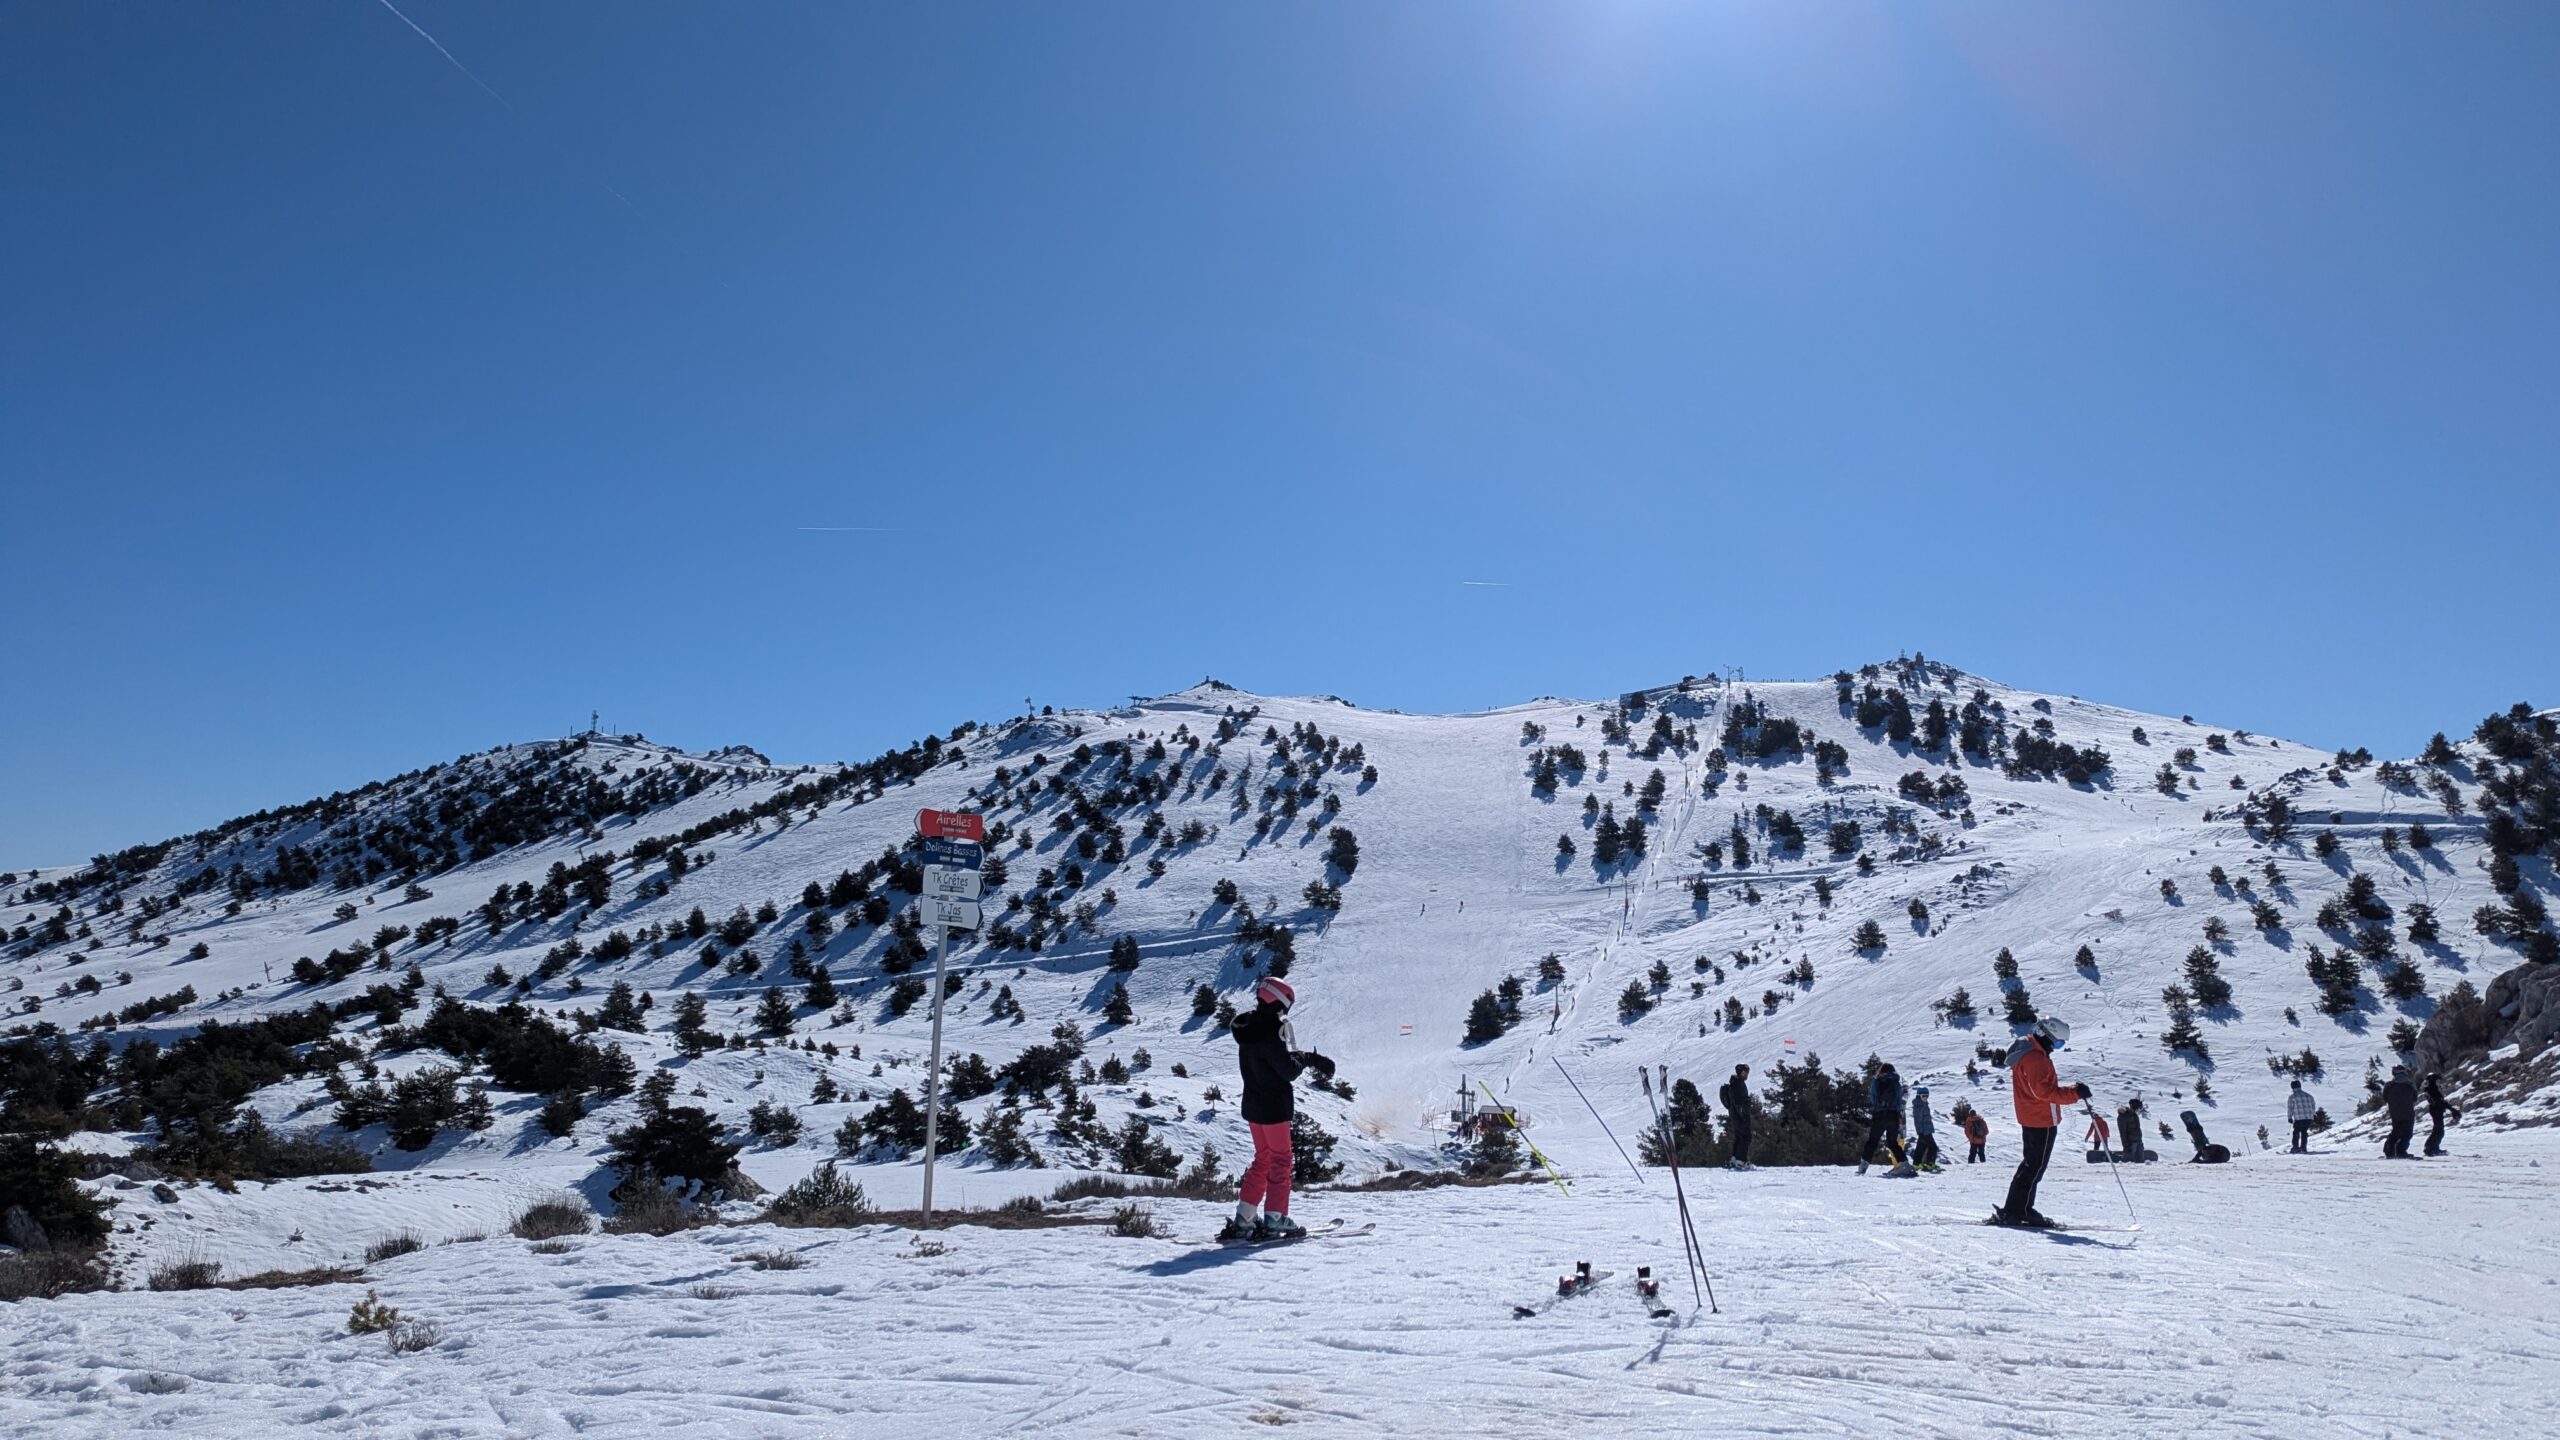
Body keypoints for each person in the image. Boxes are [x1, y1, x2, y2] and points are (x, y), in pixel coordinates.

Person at [1223, 977, 1335, 1240]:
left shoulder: (1249, 1026)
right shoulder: (1269, 1031)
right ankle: (1275, 1217)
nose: (1288, 1011)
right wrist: (1308, 1059)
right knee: (1281, 1160)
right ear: (1279, 1001)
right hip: (1273, 1108)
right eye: (1288, 1005)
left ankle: (1245, 1218)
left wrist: (1302, 1056)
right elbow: (1287, 1071)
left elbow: (1275, 1062)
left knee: (1263, 1158)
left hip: (1253, 1105)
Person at [1995, 1016, 2090, 1228]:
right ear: (2046, 1036)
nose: (2056, 1048)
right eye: (2057, 1043)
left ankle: (2018, 1208)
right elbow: (2045, 1093)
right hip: (2041, 1119)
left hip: (2031, 1116)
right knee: (2034, 1167)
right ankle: (2018, 1210)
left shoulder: (2027, 1052)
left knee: (2031, 1165)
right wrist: (2075, 1093)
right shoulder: (2036, 1060)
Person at [1857, 1062, 1913, 1176]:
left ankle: (1863, 1166)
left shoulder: (1877, 1081)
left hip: (1880, 1114)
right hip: (1893, 1116)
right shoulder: (1896, 1082)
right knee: (1892, 1142)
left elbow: (1872, 1097)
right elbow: (1898, 1099)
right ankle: (1904, 1163)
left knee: (1872, 1141)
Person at [1718, 1063, 1755, 1170]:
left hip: (1735, 1115)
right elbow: (1739, 1103)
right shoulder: (1738, 1084)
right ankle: (1741, 1161)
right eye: (1747, 1072)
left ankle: (1735, 1159)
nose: (1747, 1074)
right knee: (1746, 1137)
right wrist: (1744, 1116)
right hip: (1739, 1116)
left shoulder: (1735, 1082)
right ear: (1742, 1072)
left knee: (1739, 1137)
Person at [2380, 1065, 2419, 1159]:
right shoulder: (2409, 1084)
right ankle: (2401, 1151)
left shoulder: (2389, 1085)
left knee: (2396, 1130)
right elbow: (2415, 1098)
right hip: (2408, 1111)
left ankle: (2389, 1151)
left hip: (2394, 1112)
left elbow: (2385, 1098)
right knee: (2407, 1132)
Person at [2422, 1074, 2461, 1157]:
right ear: (2433, 1080)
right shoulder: (2431, 1089)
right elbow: (2438, 1101)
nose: (2438, 1083)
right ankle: (2430, 1148)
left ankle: (2432, 1147)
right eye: (2437, 1081)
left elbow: (2441, 1101)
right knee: (2438, 1130)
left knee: (2438, 1130)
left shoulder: (2432, 1089)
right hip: (2435, 1110)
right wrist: (2451, 1109)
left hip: (2437, 1110)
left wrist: (2451, 1109)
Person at [1909, 1085, 1940, 1169]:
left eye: (1927, 1096)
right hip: (1924, 1131)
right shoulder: (1919, 1106)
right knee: (1933, 1147)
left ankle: (1916, 1164)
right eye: (1923, 1096)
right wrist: (1920, 1132)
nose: (1925, 1098)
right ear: (1919, 1096)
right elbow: (1918, 1121)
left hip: (1927, 1130)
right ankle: (1929, 1164)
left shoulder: (1924, 1105)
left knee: (1921, 1147)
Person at [2286, 1079, 2316, 1153]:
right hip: (2308, 1118)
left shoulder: (2292, 1097)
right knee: (2304, 1132)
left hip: (2299, 1118)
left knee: (2296, 1132)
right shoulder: (2309, 1096)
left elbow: (2290, 1108)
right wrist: (2312, 1115)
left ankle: (2295, 1148)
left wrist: (2289, 1117)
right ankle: (2303, 1147)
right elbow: (2313, 1107)